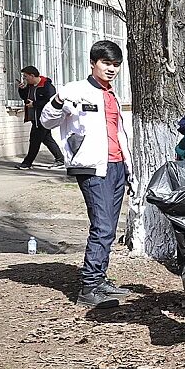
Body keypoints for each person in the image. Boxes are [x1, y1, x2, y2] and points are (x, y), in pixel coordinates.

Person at [39, 42, 133, 308]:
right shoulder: (75, 90)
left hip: (116, 166)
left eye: (116, 65)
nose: (111, 69)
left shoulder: (111, 94)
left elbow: (117, 133)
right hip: (91, 167)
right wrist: (57, 101)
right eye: (106, 63)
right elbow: (46, 121)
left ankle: (100, 280)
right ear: (93, 63)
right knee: (102, 228)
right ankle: (89, 288)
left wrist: (129, 167)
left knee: (109, 230)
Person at [16, 66, 64, 170]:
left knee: (34, 140)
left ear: (32, 75)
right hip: (34, 118)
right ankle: (60, 160)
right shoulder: (30, 86)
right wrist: (22, 89)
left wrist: (35, 104)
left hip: (44, 118)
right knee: (47, 139)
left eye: (26, 76)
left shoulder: (47, 86)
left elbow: (51, 102)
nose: (25, 79)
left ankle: (27, 163)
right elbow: (25, 98)